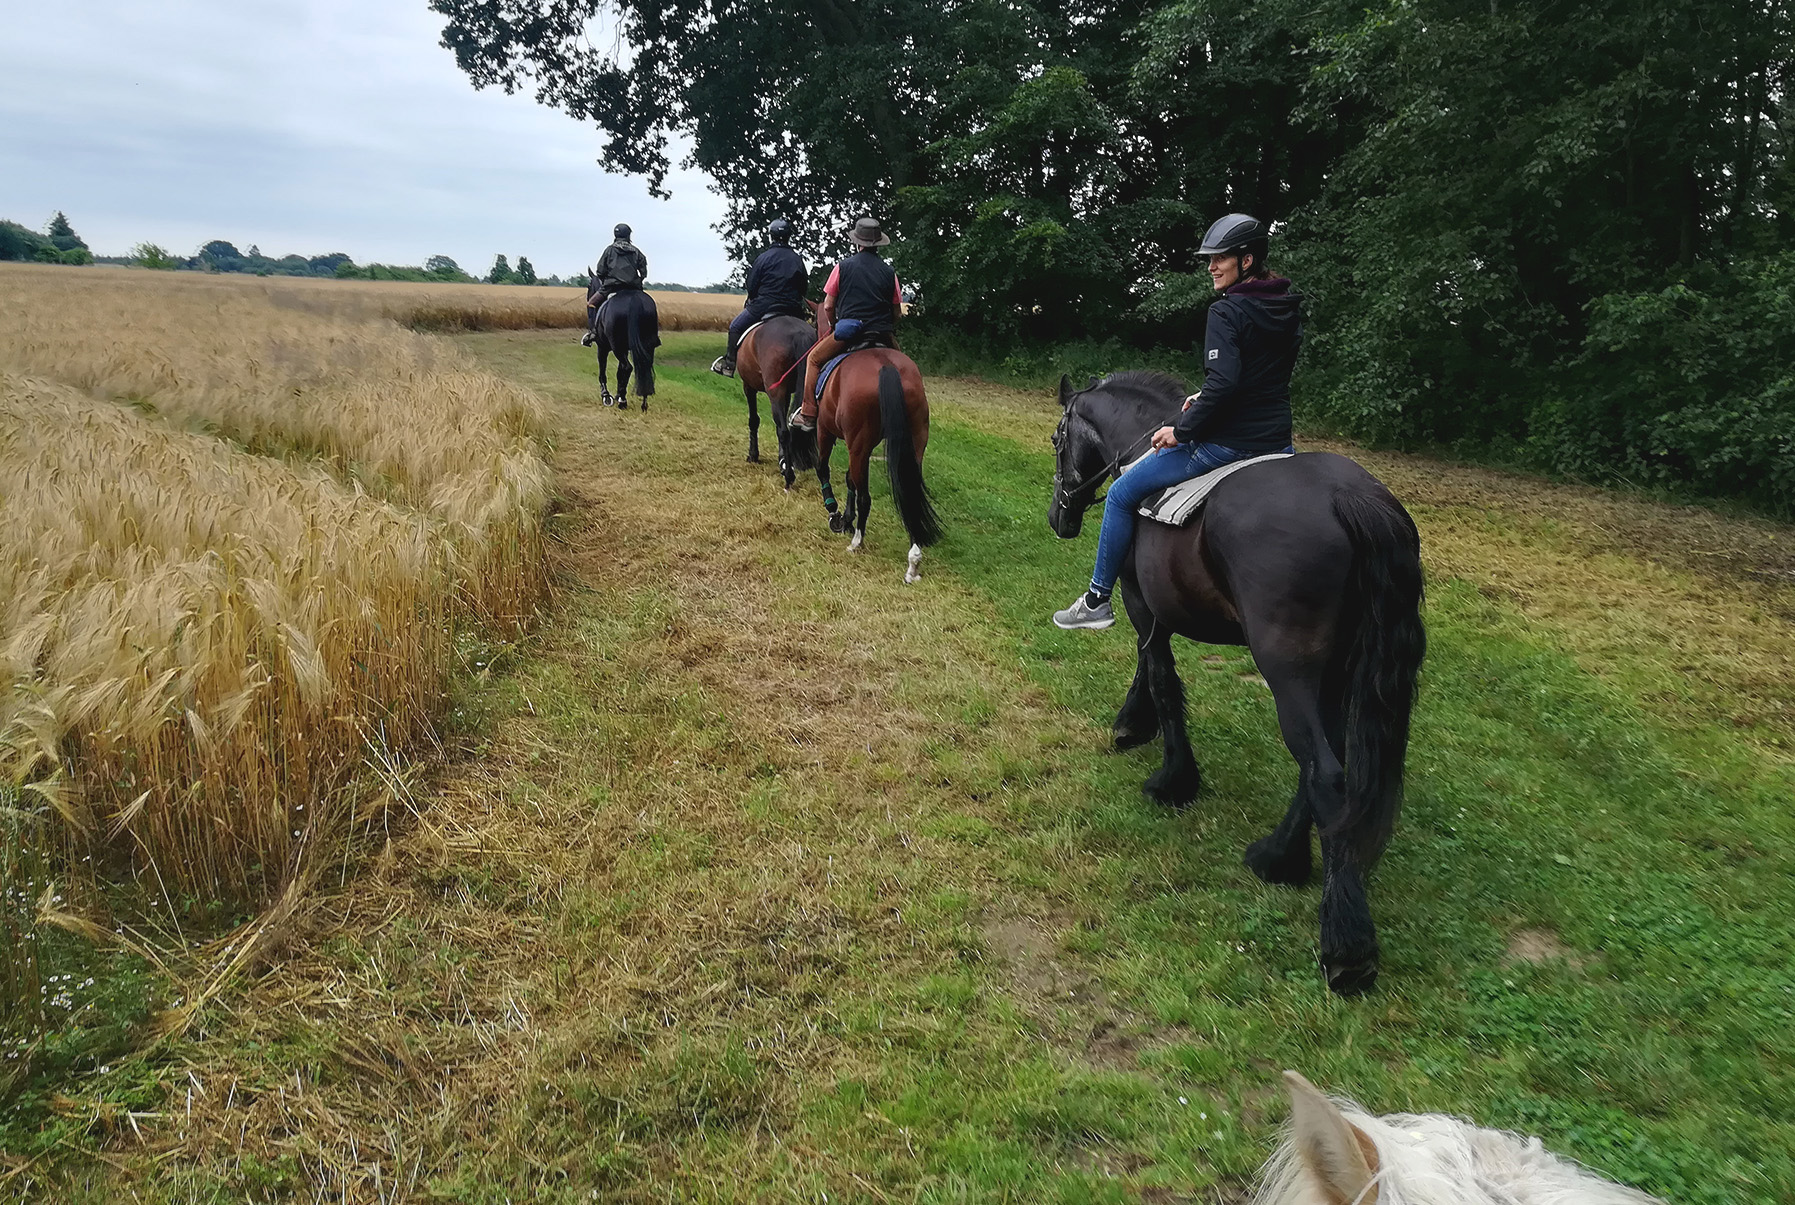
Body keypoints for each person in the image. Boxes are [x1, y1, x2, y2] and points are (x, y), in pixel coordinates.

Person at [1052, 213, 1302, 630]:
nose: (1211, 267)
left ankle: (1096, 600)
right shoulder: (1283, 306)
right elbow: (1259, 377)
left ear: (1247, 261)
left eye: (1221, 258)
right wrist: (1205, 396)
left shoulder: (1227, 312)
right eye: (1209, 259)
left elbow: (1225, 383)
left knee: (1119, 494)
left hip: (1230, 443)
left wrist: (1182, 430)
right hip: (1276, 440)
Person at [788, 217, 903, 433]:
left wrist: (833, 325)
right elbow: (897, 312)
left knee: (813, 360)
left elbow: (829, 306)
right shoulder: (890, 273)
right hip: (882, 333)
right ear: (878, 244)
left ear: (858, 242)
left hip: (851, 332)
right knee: (904, 367)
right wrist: (888, 325)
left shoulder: (842, 268)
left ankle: (808, 413)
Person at [712, 218, 810, 376]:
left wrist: (754, 298)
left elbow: (752, 286)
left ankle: (729, 364)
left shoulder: (763, 258)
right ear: (788, 236)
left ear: (771, 236)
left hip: (764, 305)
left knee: (735, 327)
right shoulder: (797, 259)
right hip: (793, 308)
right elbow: (803, 287)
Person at [591, 223, 649, 314]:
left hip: (612, 286)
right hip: (633, 286)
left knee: (591, 303)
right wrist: (638, 279)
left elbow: (600, 271)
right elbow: (644, 272)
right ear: (628, 235)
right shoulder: (636, 251)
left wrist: (605, 281)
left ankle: (594, 328)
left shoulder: (609, 250)